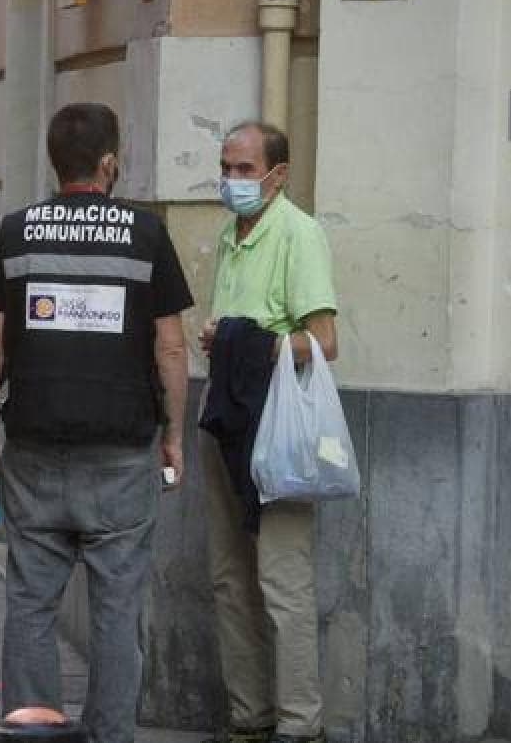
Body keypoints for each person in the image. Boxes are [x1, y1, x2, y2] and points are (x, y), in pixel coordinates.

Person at [0, 102, 193, 743]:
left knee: (31, 603)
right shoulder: (144, 234)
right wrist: (173, 434)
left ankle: (32, 734)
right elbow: (170, 347)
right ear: (109, 162)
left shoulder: (17, 232)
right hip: (123, 455)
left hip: (34, 448)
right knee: (117, 612)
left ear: (53, 162)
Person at [197, 122, 338, 743]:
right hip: (226, 420)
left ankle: (300, 724)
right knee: (230, 577)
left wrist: (246, 342)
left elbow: (325, 342)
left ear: (277, 175)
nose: (232, 180)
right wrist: (221, 337)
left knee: (281, 579)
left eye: (244, 170)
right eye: (226, 167)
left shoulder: (299, 233)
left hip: (276, 427)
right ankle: (248, 716)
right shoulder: (232, 234)